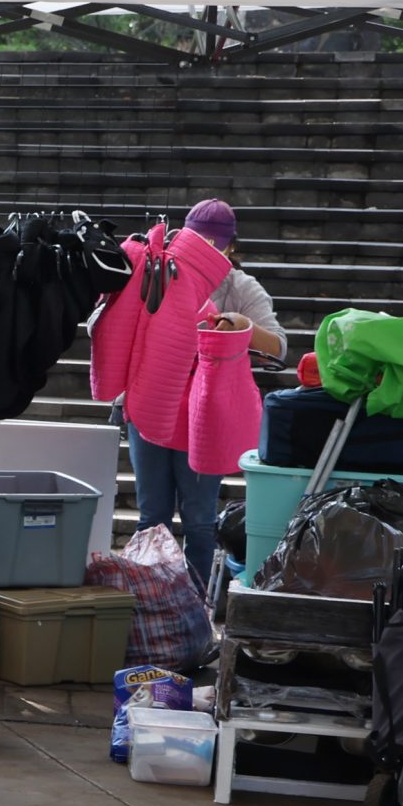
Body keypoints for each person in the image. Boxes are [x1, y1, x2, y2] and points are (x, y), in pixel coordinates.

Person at [124, 197, 284, 583]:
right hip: (150, 405)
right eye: (199, 241)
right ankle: (152, 600)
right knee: (152, 515)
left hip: (204, 414)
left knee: (199, 520)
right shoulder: (157, 272)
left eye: (216, 244)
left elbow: (278, 347)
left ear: (232, 247)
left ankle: (193, 605)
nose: (207, 251)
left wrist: (242, 326)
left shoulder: (241, 288)